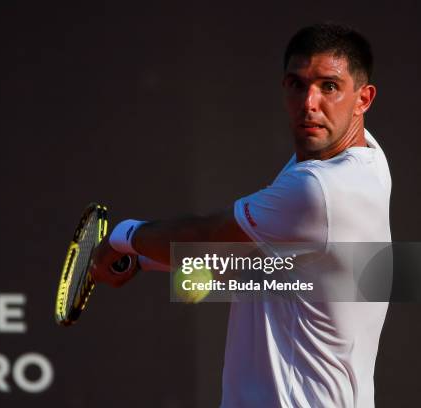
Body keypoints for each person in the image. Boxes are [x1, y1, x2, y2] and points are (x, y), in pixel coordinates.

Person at [90, 23, 391, 407]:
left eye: (329, 87)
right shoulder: (369, 159)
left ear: (363, 99)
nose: (309, 103)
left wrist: (125, 236)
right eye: (297, 84)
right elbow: (270, 265)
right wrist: (146, 260)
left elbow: (208, 237)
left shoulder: (319, 190)